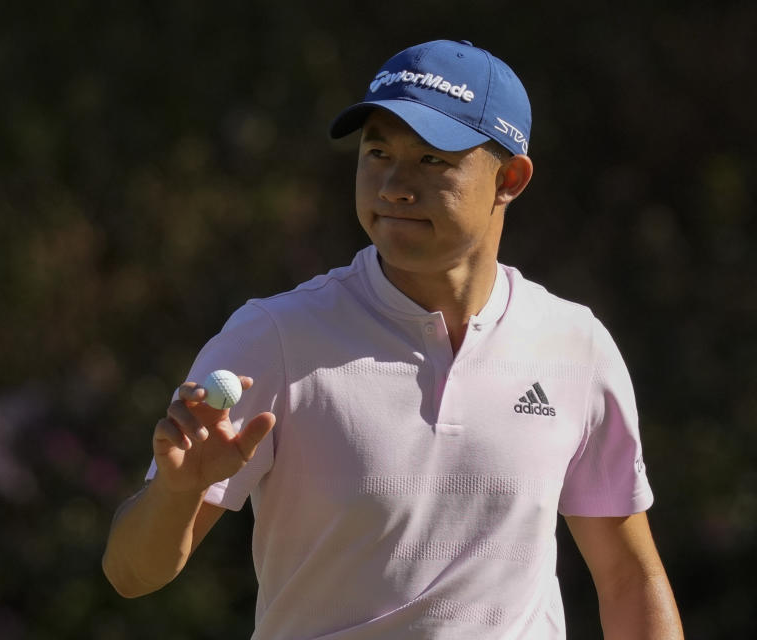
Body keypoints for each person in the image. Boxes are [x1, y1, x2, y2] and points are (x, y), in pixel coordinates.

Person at [102, 39, 684, 639]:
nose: (394, 187)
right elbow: (131, 574)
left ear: (509, 178)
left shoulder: (575, 346)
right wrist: (177, 493)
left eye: (433, 160)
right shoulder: (273, 337)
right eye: (377, 152)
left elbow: (628, 579)